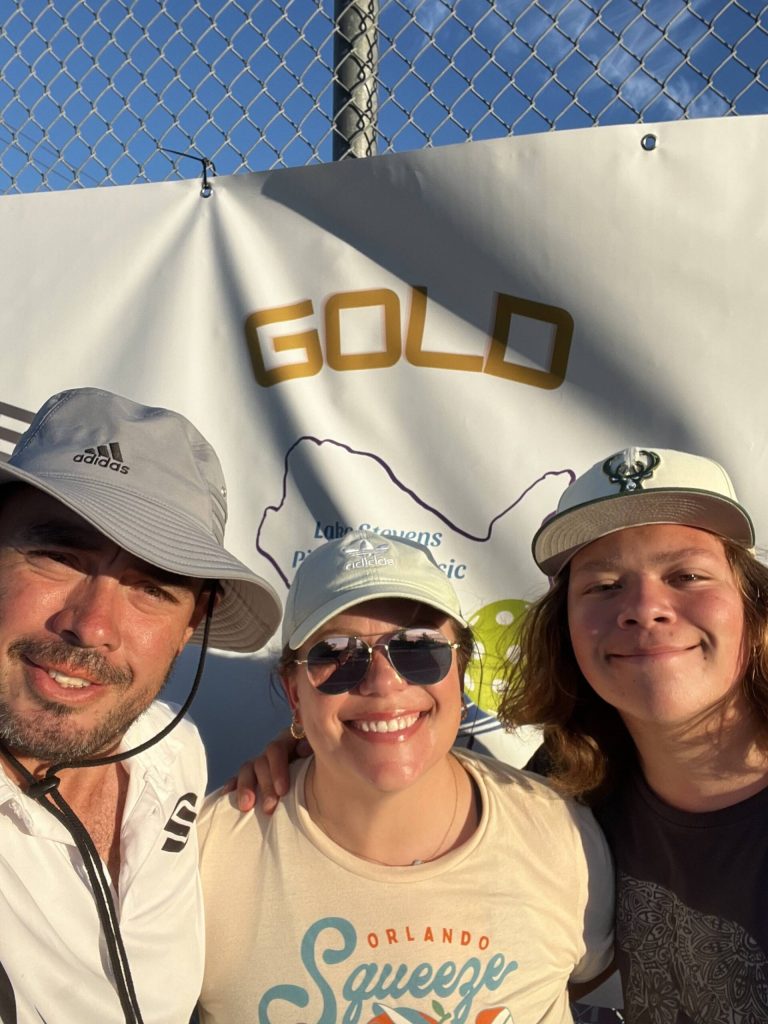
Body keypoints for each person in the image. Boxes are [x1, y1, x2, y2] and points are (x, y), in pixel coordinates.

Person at [197, 530, 614, 1024]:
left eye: (418, 647)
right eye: (335, 653)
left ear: (458, 670)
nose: (384, 682)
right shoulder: (207, 857)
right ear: (295, 694)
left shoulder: (563, 835)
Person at [0, 386, 281, 1024]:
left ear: (193, 623)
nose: (91, 624)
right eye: (59, 556)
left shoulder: (173, 753)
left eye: (151, 586)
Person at [499, 445, 768, 1023]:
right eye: (602, 586)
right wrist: (306, 768)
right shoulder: (567, 785)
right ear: (563, 629)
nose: (645, 608)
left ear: (752, 604)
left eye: (686, 575)